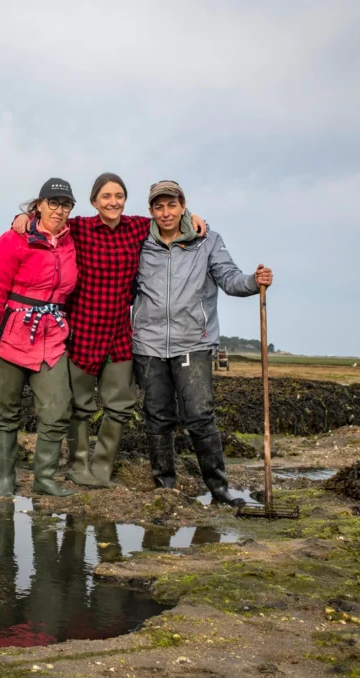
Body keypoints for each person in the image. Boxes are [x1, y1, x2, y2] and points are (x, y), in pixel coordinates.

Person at [11, 173, 207, 488]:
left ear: (125, 200)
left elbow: (169, 220)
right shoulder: (82, 229)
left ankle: (101, 469)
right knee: (80, 407)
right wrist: (24, 216)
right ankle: (77, 467)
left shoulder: (138, 228)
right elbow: (47, 223)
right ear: (94, 202)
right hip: (84, 332)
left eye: (118, 196)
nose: (113, 202)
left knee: (120, 406)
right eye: (106, 196)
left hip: (119, 334)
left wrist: (192, 216)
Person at [133, 181, 273, 505]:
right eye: (158, 206)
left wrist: (254, 282)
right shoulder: (139, 241)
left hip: (193, 342)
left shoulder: (207, 240)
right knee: (157, 416)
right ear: (151, 210)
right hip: (147, 344)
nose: (165, 212)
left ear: (183, 205)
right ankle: (164, 488)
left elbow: (229, 279)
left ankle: (219, 490)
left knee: (199, 414)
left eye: (171, 205)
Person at [0, 178, 79, 497]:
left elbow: (113, 219)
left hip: (53, 335)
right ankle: (6, 478)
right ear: (39, 205)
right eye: (53, 203)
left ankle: (44, 478)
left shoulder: (75, 240)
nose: (59, 210)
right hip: (13, 333)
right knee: (4, 408)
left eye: (66, 205)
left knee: (58, 408)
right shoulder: (14, 239)